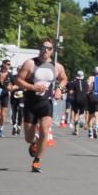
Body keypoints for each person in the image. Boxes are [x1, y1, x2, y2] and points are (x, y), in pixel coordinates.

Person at [15, 39, 67, 173]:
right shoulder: (30, 63)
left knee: (45, 130)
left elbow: (64, 78)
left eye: (49, 48)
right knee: (28, 138)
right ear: (39, 48)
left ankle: (37, 161)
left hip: (46, 103)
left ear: (52, 50)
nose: (46, 50)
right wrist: (33, 87)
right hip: (31, 103)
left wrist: (59, 89)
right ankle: (34, 143)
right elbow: (18, 80)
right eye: (44, 47)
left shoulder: (57, 66)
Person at [66, 70, 88, 135]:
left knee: (75, 113)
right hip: (84, 99)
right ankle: (81, 120)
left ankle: (76, 130)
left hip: (76, 99)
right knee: (81, 112)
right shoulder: (85, 83)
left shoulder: (74, 83)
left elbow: (71, 92)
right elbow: (87, 91)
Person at [8, 70, 25, 136]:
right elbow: (10, 87)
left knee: (20, 111)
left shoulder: (25, 78)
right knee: (14, 112)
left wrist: (18, 87)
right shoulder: (13, 77)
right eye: (19, 70)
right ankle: (14, 125)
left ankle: (19, 126)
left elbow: (27, 86)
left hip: (22, 97)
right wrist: (11, 87)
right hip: (13, 97)